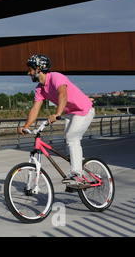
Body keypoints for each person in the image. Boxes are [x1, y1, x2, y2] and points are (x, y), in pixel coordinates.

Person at [18, 54, 95, 186]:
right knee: (69, 141)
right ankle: (78, 164)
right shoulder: (40, 89)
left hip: (84, 110)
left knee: (72, 138)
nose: (28, 73)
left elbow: (62, 94)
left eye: (30, 69)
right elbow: (35, 108)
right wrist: (26, 125)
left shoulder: (56, 77)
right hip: (70, 113)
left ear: (38, 68)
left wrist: (57, 113)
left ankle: (77, 174)